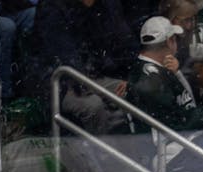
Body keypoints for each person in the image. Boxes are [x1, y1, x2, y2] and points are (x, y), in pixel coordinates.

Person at [27, 0, 138, 134]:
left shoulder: (107, 5)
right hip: (59, 83)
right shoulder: (52, 7)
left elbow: (124, 44)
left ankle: (135, 148)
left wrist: (131, 77)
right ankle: (103, 154)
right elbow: (63, 54)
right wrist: (84, 83)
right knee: (93, 106)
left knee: (135, 92)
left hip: (95, 76)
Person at [127, 16, 203, 165]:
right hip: (170, 154)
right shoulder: (151, 80)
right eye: (175, 39)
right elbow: (176, 124)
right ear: (169, 41)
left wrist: (178, 74)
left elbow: (188, 105)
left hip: (180, 146)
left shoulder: (158, 69)